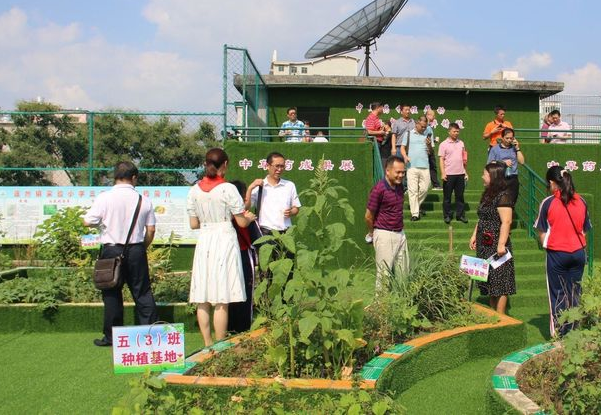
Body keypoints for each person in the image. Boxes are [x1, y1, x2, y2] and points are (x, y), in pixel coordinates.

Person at [187, 148, 257, 347]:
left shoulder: (194, 190)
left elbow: (193, 224)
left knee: (203, 296)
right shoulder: (228, 189)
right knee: (221, 297)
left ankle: (207, 344)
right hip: (225, 238)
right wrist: (249, 217)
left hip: (205, 239)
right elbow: (242, 223)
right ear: (225, 164)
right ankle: (219, 345)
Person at [83, 161, 158, 347]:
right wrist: (142, 247)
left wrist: (103, 224)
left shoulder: (104, 197)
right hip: (136, 250)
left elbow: (88, 221)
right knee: (142, 292)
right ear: (133, 178)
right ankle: (151, 335)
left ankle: (111, 337)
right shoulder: (144, 200)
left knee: (111, 292)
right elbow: (151, 230)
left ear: (115, 176)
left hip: (111, 250)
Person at [534, 166, 591, 337]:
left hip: (557, 254)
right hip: (578, 253)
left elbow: (541, 231)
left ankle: (560, 333)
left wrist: (548, 244)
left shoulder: (548, 202)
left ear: (552, 183)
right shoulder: (581, 201)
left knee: (557, 293)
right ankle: (574, 331)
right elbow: (585, 229)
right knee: (574, 292)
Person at [469, 162, 516, 315]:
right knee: (488, 279)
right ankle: (492, 313)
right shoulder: (488, 194)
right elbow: (482, 217)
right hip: (484, 243)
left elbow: (506, 221)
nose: (483, 176)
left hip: (497, 244)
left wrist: (501, 244)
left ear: (493, 176)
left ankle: (501, 317)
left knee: (500, 281)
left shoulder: (504, 196)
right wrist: (474, 235)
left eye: (485, 174)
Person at [365, 155, 408, 292]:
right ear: (387, 171)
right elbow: (368, 216)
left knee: (404, 274)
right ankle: (381, 309)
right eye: (398, 172)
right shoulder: (379, 189)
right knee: (384, 276)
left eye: (403, 172)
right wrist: (373, 234)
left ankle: (402, 306)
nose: (401, 175)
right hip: (384, 234)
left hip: (400, 234)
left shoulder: (400, 187)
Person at [245, 152, 301, 235]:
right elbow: (246, 207)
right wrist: (250, 188)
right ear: (268, 166)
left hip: (285, 234)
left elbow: (296, 208)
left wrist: (291, 212)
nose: (279, 169)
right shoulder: (259, 185)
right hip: (265, 233)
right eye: (277, 166)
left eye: (282, 166)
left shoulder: (289, 185)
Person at [227, 180, 257, 334]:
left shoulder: (224, 214)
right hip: (242, 254)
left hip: (228, 255)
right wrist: (249, 219)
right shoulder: (244, 216)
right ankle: (243, 327)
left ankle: (230, 326)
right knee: (245, 290)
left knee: (230, 290)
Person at [401, 115, 433, 221]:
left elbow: (430, 152)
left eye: (425, 126)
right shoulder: (408, 134)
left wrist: (429, 145)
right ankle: (415, 213)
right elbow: (402, 148)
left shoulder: (428, 136)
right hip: (412, 166)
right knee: (412, 190)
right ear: (417, 123)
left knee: (425, 188)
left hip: (425, 166)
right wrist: (405, 156)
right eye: (422, 126)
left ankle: (415, 205)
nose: (424, 128)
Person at [438, 122, 469, 224]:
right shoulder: (443, 144)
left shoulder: (461, 143)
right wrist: (443, 173)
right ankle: (447, 215)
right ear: (449, 131)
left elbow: (464, 159)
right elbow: (441, 160)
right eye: (454, 131)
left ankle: (460, 215)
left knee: (460, 196)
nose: (456, 133)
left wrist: (465, 172)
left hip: (460, 174)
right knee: (447, 197)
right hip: (449, 175)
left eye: (458, 131)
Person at [487, 127, 525, 206]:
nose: (509, 140)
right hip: (500, 177)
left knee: (512, 201)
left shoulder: (514, 148)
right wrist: (502, 162)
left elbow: (522, 161)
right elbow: (489, 164)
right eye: (507, 138)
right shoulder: (495, 149)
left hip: (513, 177)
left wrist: (517, 148)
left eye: (511, 138)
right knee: (499, 201)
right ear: (502, 137)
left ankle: (508, 217)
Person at [364, 102, 392, 166]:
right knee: (374, 161)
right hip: (374, 142)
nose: (383, 109)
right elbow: (369, 131)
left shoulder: (376, 118)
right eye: (382, 107)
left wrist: (382, 129)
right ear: (378, 108)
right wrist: (381, 132)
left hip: (378, 142)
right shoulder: (371, 117)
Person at [425, 109, 442, 190]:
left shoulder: (429, 126)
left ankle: (436, 185)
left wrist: (434, 140)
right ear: (428, 115)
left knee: (432, 166)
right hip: (426, 150)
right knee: (429, 167)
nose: (434, 117)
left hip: (430, 149)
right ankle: (435, 184)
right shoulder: (424, 126)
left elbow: (428, 138)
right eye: (432, 115)